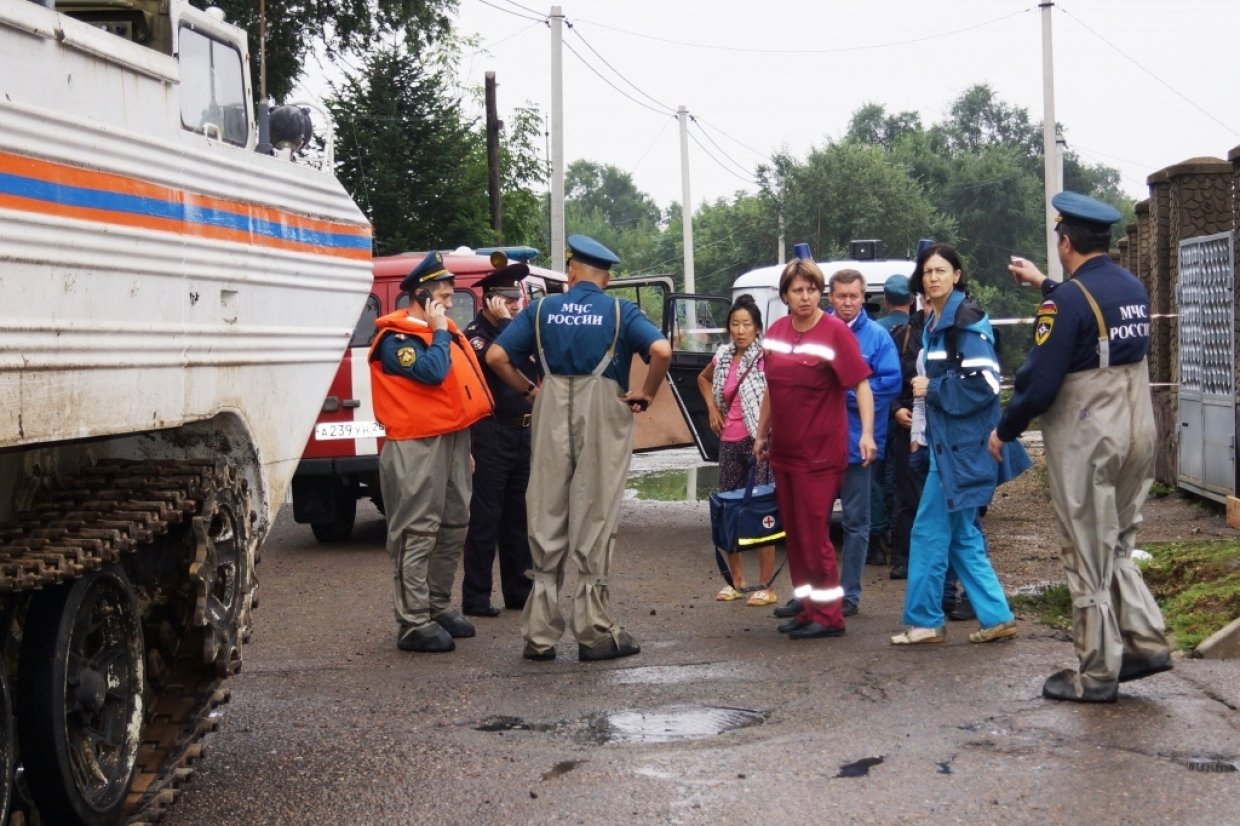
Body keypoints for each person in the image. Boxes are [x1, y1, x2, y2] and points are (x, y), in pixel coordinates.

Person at [989, 191, 1173, 703]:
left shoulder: (1064, 301)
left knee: (1086, 551)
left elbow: (1040, 380)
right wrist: (1043, 283)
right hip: (1139, 429)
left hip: (1092, 436)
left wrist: (1005, 429)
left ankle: (1095, 674)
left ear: (1065, 241)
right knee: (1114, 544)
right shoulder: (1132, 287)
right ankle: (1146, 641)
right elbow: (1092, 316)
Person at [487, 234, 672, 662]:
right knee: (596, 511)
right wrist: (645, 391)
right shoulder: (620, 309)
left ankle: (539, 635)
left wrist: (531, 390)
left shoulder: (540, 309)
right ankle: (593, 631)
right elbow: (661, 350)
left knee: (545, 510)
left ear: (571, 272)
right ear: (605, 277)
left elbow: (497, 356)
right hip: (604, 408)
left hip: (550, 405)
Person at [891, 244, 1017, 646]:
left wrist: (934, 388)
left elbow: (987, 385)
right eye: (927, 272)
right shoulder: (936, 322)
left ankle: (926, 621)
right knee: (962, 536)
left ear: (957, 275)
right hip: (944, 447)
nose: (933, 278)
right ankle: (997, 615)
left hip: (958, 450)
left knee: (928, 533)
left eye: (941, 270)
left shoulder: (966, 320)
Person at [369, 252, 493, 653]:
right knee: (417, 531)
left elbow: (455, 393)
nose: (450, 302)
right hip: (415, 446)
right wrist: (439, 332)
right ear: (421, 295)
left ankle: (438, 607)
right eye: (442, 295)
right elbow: (431, 373)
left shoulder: (445, 333)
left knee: (454, 523)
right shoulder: (396, 340)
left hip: (452, 441)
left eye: (451, 294)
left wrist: (465, 447)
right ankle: (412, 622)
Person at [753, 258, 876, 640]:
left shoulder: (835, 332)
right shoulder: (775, 332)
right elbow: (772, 389)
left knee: (814, 535)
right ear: (785, 295)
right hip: (785, 453)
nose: (805, 297)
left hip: (821, 455)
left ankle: (830, 616)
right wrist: (761, 435)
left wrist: (867, 434)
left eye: (811, 290)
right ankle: (807, 608)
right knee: (795, 535)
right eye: (797, 290)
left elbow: (861, 385)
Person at [460, 263, 537, 617]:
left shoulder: (518, 330)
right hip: (491, 433)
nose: (516, 306)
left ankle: (518, 591)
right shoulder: (477, 337)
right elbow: (503, 362)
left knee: (518, 517)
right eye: (509, 300)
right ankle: (476, 597)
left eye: (517, 299)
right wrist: (508, 325)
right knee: (486, 518)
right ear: (490, 301)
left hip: (523, 430)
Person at [826, 269, 900, 617]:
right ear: (831, 297)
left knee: (857, 523)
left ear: (863, 296)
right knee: (811, 522)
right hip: (819, 444)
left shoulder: (878, 338)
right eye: (841, 296)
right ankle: (813, 593)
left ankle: (850, 595)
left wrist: (844, 395)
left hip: (859, 446)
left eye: (853, 296)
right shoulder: (817, 333)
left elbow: (889, 384)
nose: (847, 302)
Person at [697, 294, 777, 607]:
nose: (740, 330)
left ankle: (767, 585)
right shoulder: (723, 355)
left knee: (762, 512)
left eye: (747, 324)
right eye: (735, 324)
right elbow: (703, 380)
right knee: (729, 511)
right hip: (729, 442)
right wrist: (713, 410)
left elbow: (778, 392)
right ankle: (736, 581)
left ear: (757, 328)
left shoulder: (766, 356)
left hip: (760, 442)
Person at [871, 273, 914, 571]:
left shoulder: (874, 331)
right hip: (911, 414)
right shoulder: (922, 328)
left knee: (874, 478)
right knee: (902, 482)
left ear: (886, 300)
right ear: (912, 299)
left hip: (878, 413)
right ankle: (899, 541)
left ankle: (876, 542)